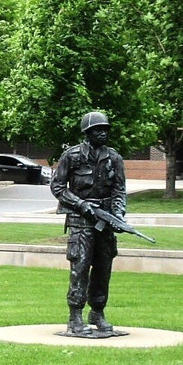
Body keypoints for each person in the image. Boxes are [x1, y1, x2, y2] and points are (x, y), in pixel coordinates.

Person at [49, 111, 127, 337]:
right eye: (98, 129)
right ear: (87, 133)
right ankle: (75, 317)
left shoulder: (114, 158)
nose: (103, 133)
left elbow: (119, 190)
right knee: (80, 267)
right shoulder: (71, 156)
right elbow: (58, 188)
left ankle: (97, 312)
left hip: (105, 221)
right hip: (80, 220)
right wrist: (82, 205)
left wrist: (118, 214)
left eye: (105, 129)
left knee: (104, 267)